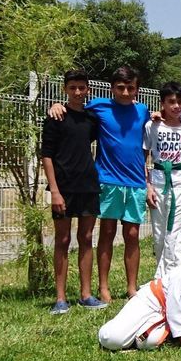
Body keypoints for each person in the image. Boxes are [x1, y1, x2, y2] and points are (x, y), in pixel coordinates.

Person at [97, 234, 181, 352]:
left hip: (169, 313)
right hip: (152, 301)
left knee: (148, 343)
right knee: (111, 339)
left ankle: (143, 337)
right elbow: (177, 310)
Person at [40, 70, 104, 313]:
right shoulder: (56, 117)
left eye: (82, 87)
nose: (77, 92)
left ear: (88, 89)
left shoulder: (91, 119)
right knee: (63, 240)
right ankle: (60, 298)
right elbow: (46, 156)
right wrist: (55, 191)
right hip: (64, 188)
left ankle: (86, 295)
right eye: (72, 87)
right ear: (65, 90)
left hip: (88, 185)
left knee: (86, 238)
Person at [91, 67, 150, 303]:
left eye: (130, 88)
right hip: (108, 180)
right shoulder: (98, 106)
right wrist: (57, 106)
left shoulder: (142, 110)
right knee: (107, 232)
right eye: (120, 88)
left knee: (133, 234)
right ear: (112, 88)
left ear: (137, 89)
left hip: (136, 182)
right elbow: (73, 110)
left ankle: (132, 287)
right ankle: (103, 287)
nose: (125, 92)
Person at [146, 82, 181, 256]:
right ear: (162, 103)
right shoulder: (152, 126)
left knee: (176, 228)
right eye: (171, 102)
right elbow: (143, 156)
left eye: (180, 102)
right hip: (158, 178)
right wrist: (148, 186)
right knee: (158, 229)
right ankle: (160, 268)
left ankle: (173, 267)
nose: (176, 106)